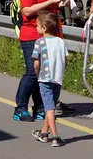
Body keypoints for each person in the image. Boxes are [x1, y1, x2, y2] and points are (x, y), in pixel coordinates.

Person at [14, 0, 66, 122]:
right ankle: (20, 108)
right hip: (31, 35)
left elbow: (60, 4)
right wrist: (50, 1)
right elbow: (26, 11)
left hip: (47, 36)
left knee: (43, 74)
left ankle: (39, 107)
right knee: (32, 72)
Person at [31, 11, 67, 147]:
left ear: (44, 28)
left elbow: (36, 63)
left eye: (37, 26)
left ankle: (55, 137)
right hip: (58, 79)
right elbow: (66, 60)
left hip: (45, 79)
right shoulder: (60, 41)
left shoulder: (39, 42)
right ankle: (44, 133)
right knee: (49, 106)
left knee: (49, 108)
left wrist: (37, 73)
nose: (36, 28)